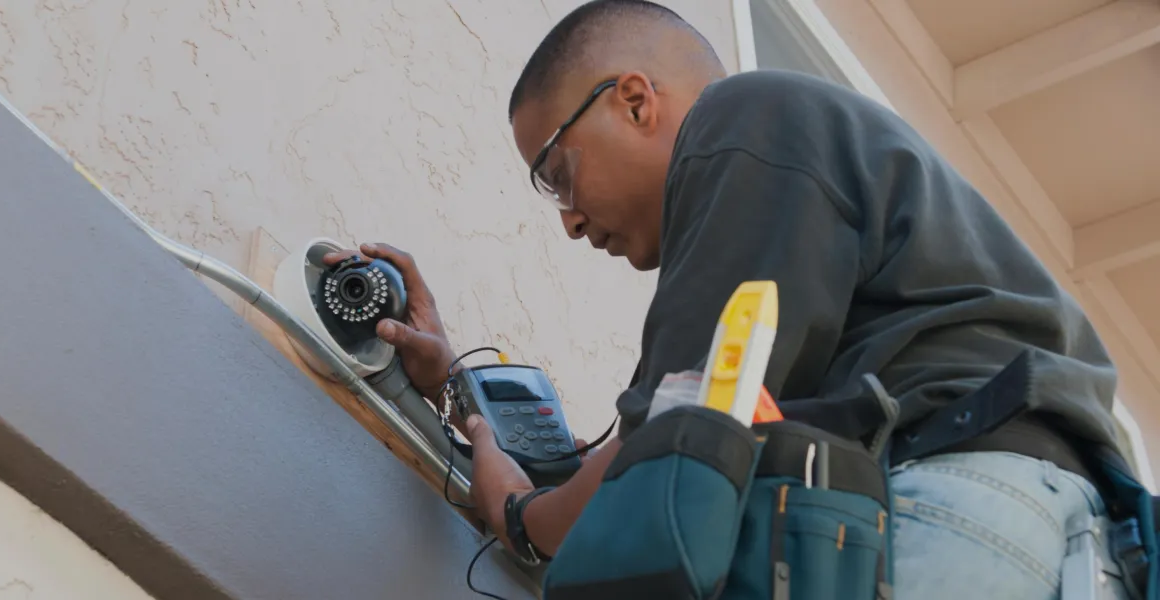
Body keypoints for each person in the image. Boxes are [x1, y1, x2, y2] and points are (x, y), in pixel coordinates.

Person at [329, 1, 1133, 597]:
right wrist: (450, 392)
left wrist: (515, 514)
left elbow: (668, 445)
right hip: (1057, 540)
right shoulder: (822, 185)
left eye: (558, 173)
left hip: (959, 512)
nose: (569, 219)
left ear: (635, 101)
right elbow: (662, 443)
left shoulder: (744, 120)